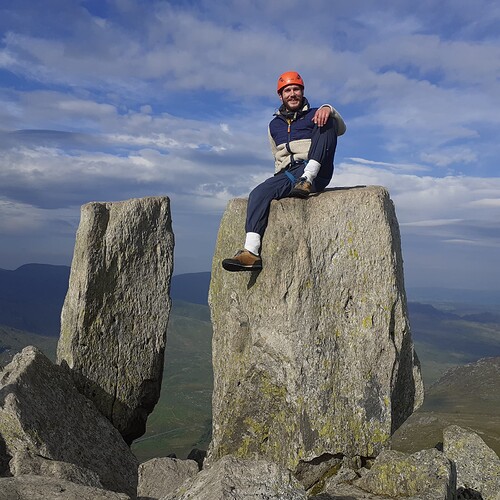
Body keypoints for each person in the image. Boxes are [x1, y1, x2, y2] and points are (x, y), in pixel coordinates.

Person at [222, 71, 346, 272]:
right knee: (259, 193)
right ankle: (251, 253)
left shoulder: (316, 114)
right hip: (290, 173)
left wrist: (328, 109)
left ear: (302, 91)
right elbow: (276, 155)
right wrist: (276, 183)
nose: (292, 94)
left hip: (316, 169)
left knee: (327, 121)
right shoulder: (274, 125)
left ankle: (308, 178)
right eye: (287, 90)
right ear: (281, 96)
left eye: (296, 89)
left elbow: (340, 129)